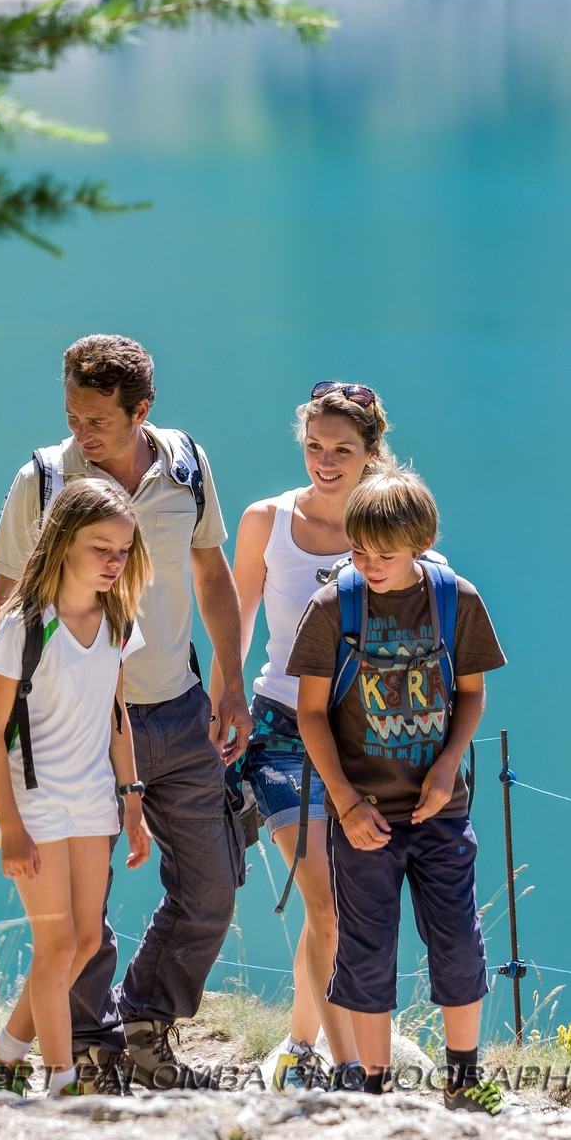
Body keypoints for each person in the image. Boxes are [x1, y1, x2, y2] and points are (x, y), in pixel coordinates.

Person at [0, 335, 251, 1089]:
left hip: (175, 709)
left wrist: (230, 682)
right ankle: (92, 1047)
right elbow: (8, 603)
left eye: (97, 419)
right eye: (72, 414)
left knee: (211, 887)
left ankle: (146, 1022)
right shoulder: (41, 479)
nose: (81, 432)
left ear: (142, 410)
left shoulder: (186, 467)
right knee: (79, 917)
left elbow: (211, 574)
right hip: (73, 731)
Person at [288, 467, 507, 1112]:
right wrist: (346, 803)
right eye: (358, 551)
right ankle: (376, 1088)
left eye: (385, 554)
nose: (369, 565)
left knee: (459, 941)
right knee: (366, 949)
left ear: (421, 544)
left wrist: (448, 766)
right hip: (365, 816)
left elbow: (471, 693)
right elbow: (309, 715)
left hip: (441, 808)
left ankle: (465, 1079)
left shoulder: (455, 601)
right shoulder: (334, 607)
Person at [210, 380, 392, 1092]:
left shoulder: (392, 521)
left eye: (342, 449)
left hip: (369, 735)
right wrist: (229, 695)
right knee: (323, 900)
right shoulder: (267, 520)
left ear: (371, 451)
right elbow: (236, 622)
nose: (324, 460)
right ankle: (351, 1069)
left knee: (345, 909)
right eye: (313, 445)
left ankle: (300, 1044)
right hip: (282, 728)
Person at [0, 479, 152, 1098]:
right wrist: (12, 828)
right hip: (36, 804)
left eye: (123, 551)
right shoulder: (24, 626)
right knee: (54, 947)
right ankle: (61, 1082)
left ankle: (0, 1055)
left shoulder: (118, 619)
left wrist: (132, 802)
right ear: (62, 542)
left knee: (84, 941)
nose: (113, 562)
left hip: (94, 800)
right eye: (100, 548)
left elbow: (116, 716)